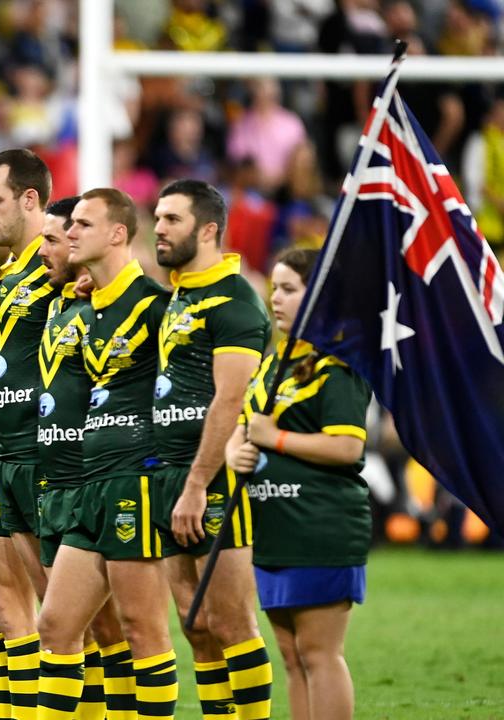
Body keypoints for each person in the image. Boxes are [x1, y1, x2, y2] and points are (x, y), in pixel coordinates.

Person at [36, 188, 176, 720]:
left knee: (143, 629)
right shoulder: (84, 306)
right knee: (56, 624)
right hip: (85, 482)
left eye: (83, 225)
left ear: (118, 233)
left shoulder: (155, 305)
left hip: (133, 481)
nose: (70, 232)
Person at [225, 248, 371, 720]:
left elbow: (347, 447)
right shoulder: (271, 366)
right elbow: (242, 430)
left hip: (320, 525)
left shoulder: (338, 367)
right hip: (273, 529)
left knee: (319, 653)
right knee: (290, 656)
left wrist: (277, 439)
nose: (277, 300)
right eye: (274, 290)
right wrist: (235, 450)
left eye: (290, 290)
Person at [153, 179, 274, 720]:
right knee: (194, 622)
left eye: (172, 219)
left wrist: (198, 486)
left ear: (207, 229)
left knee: (230, 621)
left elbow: (230, 402)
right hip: (167, 474)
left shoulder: (234, 299)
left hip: (213, 479)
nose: (158, 228)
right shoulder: (180, 292)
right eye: (157, 217)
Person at [31, 195, 126, 720]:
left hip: (109, 482)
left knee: (126, 632)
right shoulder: (59, 301)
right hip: (60, 485)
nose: (42, 249)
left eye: (52, 238)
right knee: (72, 629)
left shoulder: (123, 303)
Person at [0, 149, 56, 717]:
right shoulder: (3, 281)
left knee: (72, 619)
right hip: (2, 457)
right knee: (3, 612)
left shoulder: (57, 269)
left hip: (50, 461)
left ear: (30, 201)